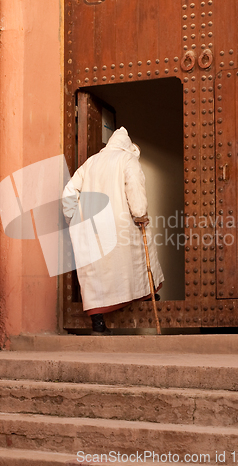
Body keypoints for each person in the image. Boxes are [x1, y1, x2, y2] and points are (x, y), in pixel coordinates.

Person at [62, 126, 164, 335]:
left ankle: (98, 324)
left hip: (92, 228)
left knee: (97, 273)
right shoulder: (127, 161)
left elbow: (69, 190)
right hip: (121, 225)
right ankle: (148, 300)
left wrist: (73, 218)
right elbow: (135, 188)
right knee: (132, 265)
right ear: (128, 147)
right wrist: (140, 215)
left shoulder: (90, 163)